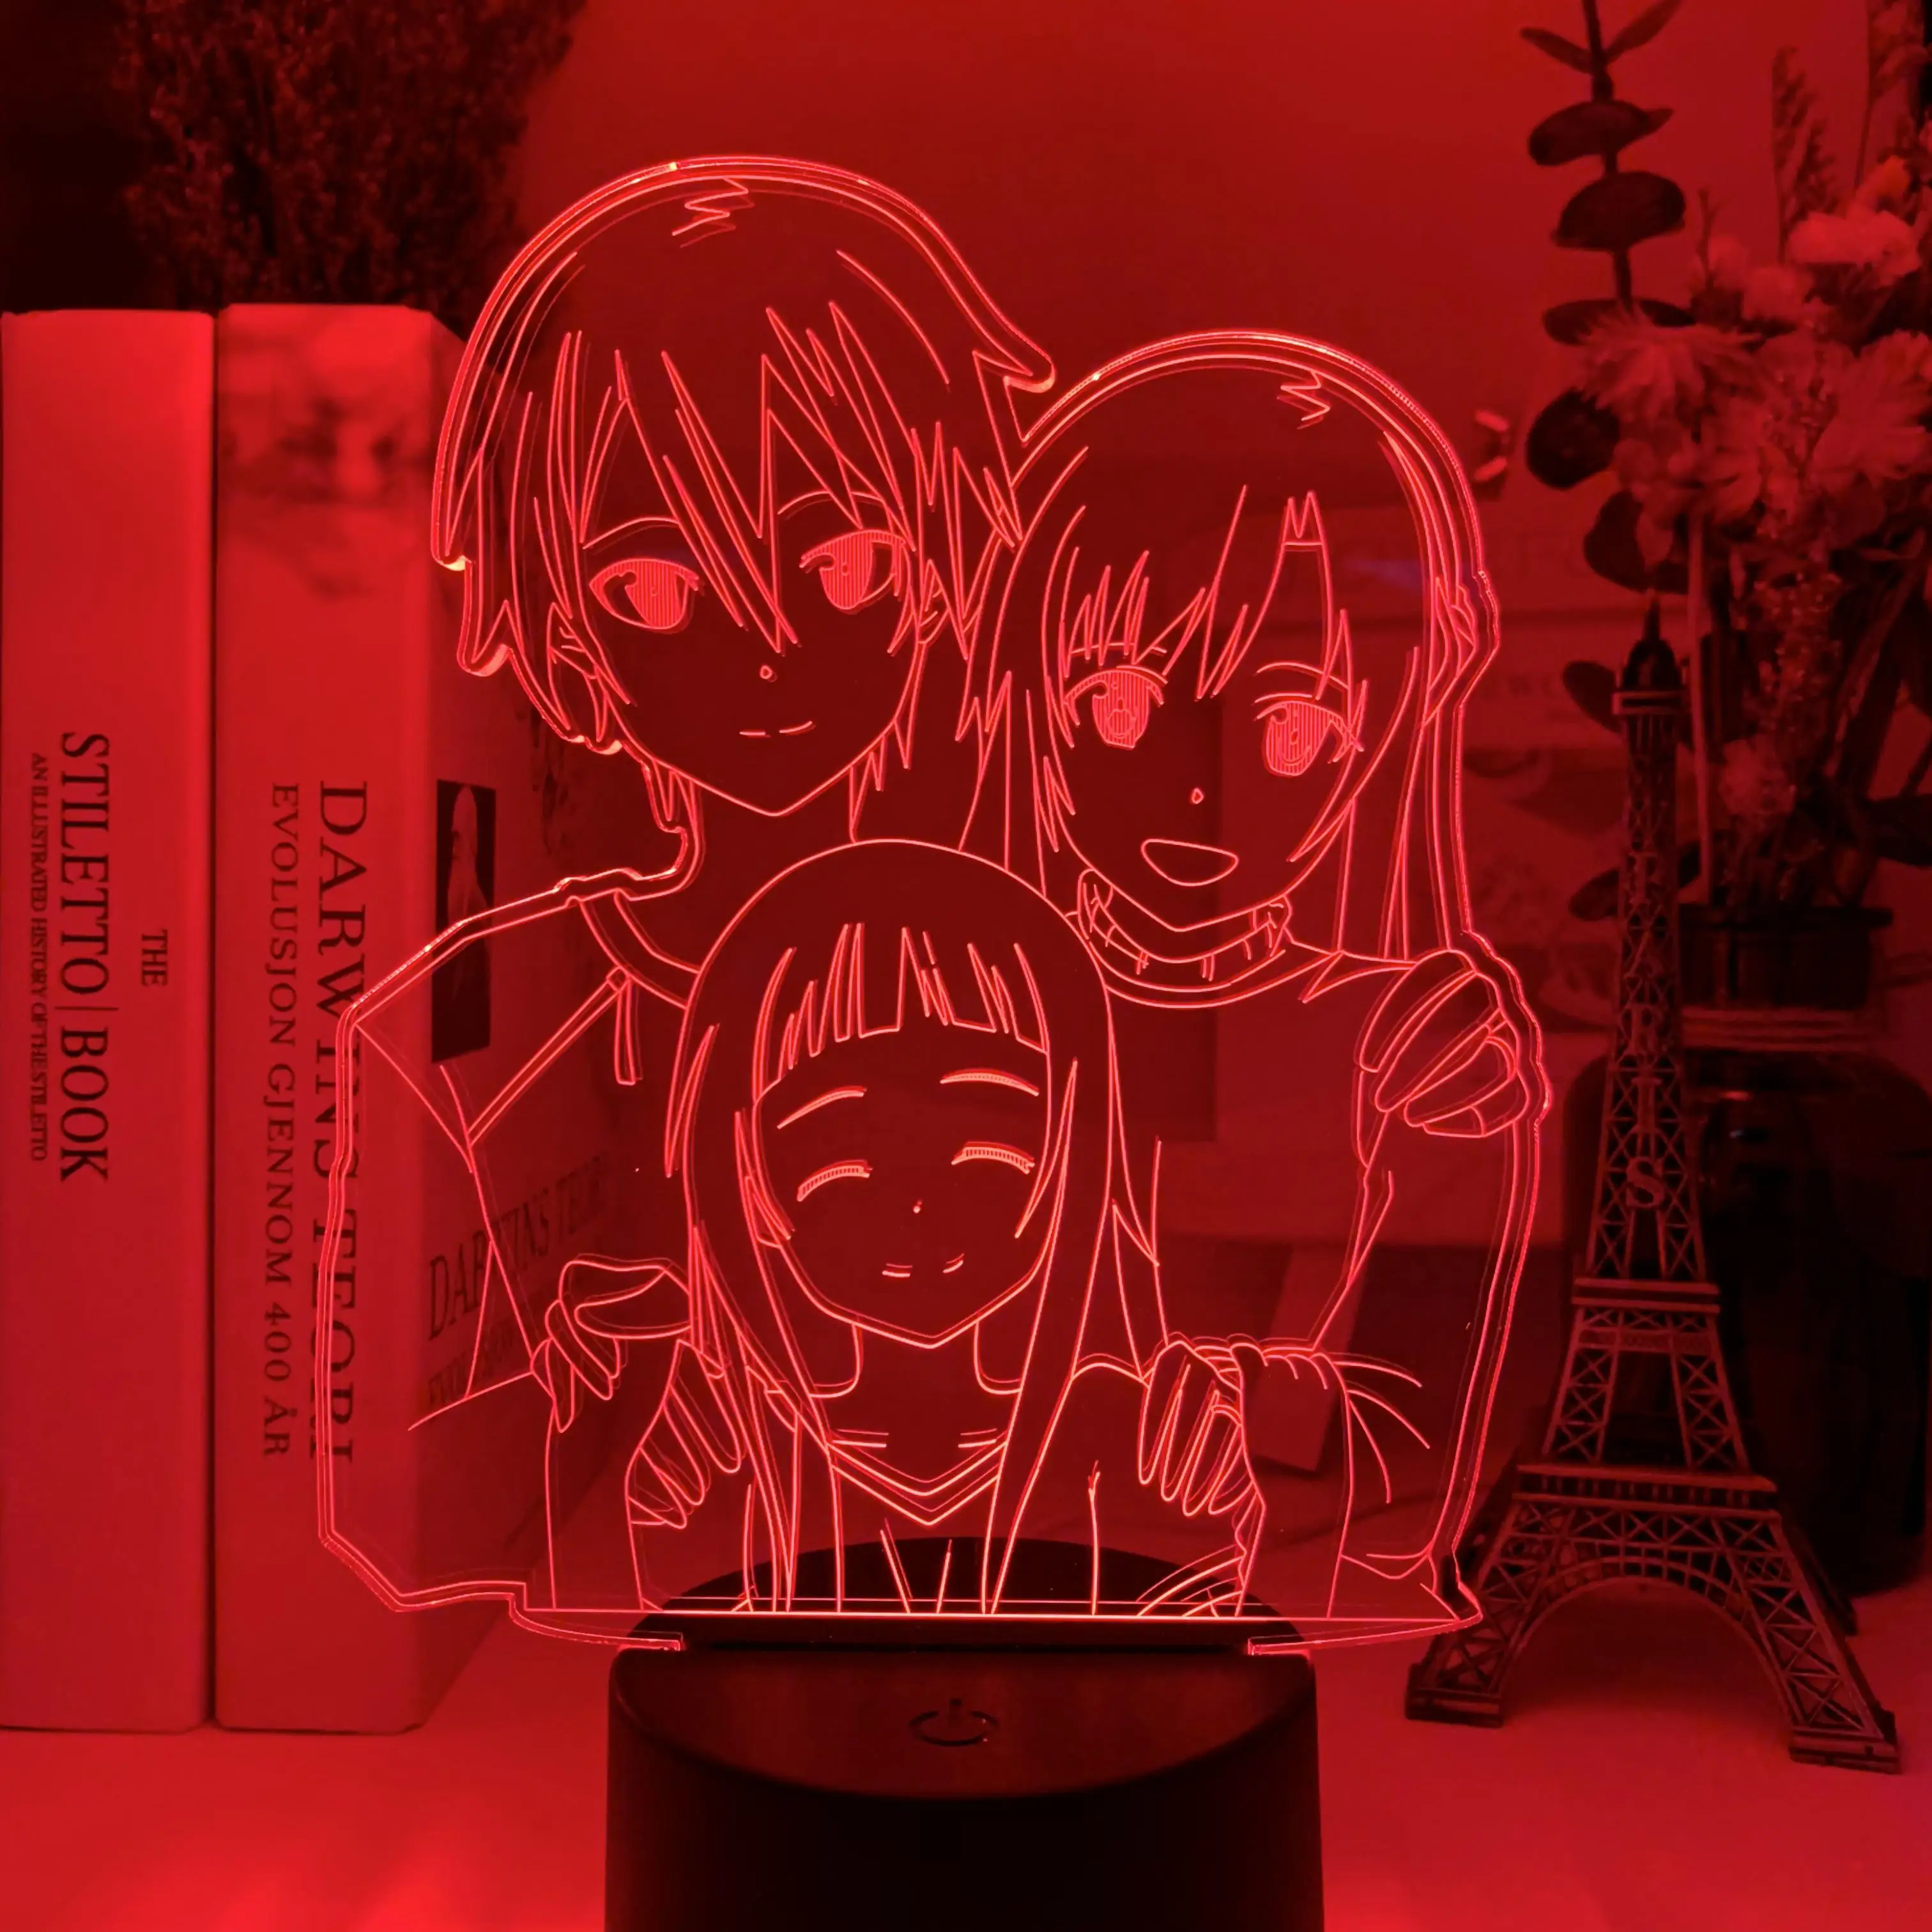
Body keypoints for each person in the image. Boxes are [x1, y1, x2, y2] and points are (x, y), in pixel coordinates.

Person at [963, 335, 1549, 1621]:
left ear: (1372, 744)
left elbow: (1447, 1397)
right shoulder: (987, 997)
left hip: (1252, 1568)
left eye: (1289, 728)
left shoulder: (1386, 1026)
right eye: (1122, 708)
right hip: (1044, 1548)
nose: (1193, 787)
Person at [539, 840, 1395, 1621]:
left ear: (1071, 1154)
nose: (917, 1205)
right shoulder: (723, 1443)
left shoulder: (1123, 1435)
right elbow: (675, 1628)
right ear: (749, 1177)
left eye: (987, 1144)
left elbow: (1184, 1649)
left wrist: (1201, 1516)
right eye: (845, 1155)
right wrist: (607, 1442)